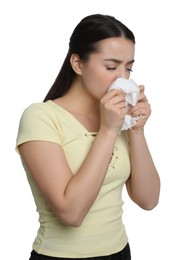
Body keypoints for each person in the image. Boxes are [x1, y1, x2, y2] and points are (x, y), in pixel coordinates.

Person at [16, 14, 160, 260]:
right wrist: (108, 130)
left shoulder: (116, 118)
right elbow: (71, 213)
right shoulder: (40, 117)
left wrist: (136, 129)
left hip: (120, 252)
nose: (122, 78)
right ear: (78, 64)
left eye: (129, 67)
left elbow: (148, 200)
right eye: (111, 67)